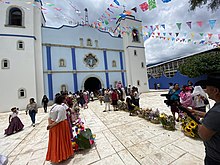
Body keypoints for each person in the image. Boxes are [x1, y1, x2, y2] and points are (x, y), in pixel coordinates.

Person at [189, 72, 220, 164]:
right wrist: (195, 112)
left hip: (215, 159)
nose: (205, 90)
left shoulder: (216, 112)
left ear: (215, 91)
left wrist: (199, 123)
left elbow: (203, 135)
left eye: (207, 88)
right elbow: (214, 119)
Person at [46, 95, 74, 163]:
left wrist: (50, 125)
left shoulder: (53, 106)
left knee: (55, 141)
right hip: (61, 125)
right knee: (63, 140)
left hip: (53, 126)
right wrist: (52, 125)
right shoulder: (61, 107)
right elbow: (59, 119)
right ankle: (63, 155)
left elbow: (49, 117)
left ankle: (56, 156)